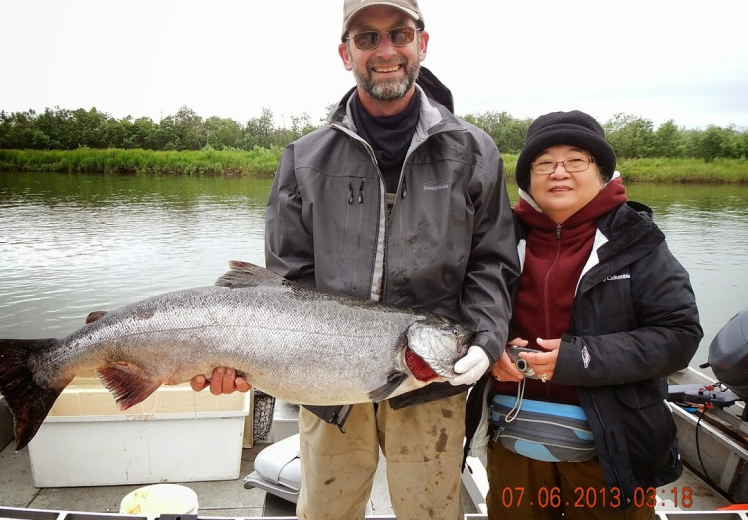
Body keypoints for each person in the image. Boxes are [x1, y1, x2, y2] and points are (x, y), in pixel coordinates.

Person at [192, 0, 520, 518]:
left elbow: (493, 262)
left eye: (399, 34)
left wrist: (485, 335)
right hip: (324, 384)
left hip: (432, 381)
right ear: (345, 53)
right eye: (366, 38)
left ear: (423, 43)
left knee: (431, 512)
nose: (385, 50)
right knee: (326, 511)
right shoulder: (303, 157)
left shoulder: (475, 152)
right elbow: (285, 282)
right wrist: (248, 357)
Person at [473, 110, 702, 519]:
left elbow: (679, 335)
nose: (558, 172)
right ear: (527, 179)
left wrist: (579, 359)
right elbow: (470, 308)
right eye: (543, 163)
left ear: (602, 172)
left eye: (576, 160)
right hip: (513, 436)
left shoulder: (637, 240)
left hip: (613, 443)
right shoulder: (499, 238)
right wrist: (490, 350)